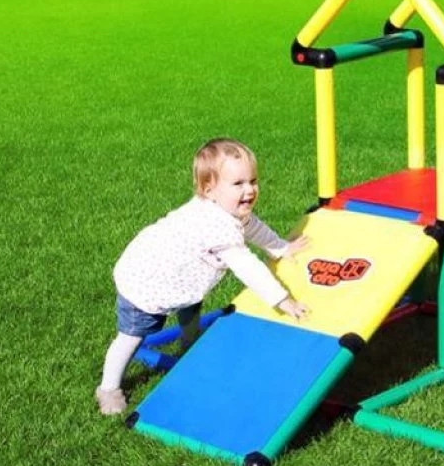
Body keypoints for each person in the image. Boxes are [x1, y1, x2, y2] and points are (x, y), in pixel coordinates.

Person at [95, 138, 310, 414]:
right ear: (209, 190)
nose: (249, 190)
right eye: (238, 184)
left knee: (191, 306)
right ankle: (108, 388)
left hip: (179, 276)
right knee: (131, 336)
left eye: (253, 181)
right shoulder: (215, 226)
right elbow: (248, 267)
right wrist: (282, 300)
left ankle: (190, 342)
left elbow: (252, 227)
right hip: (144, 281)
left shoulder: (226, 208)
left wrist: (281, 247)